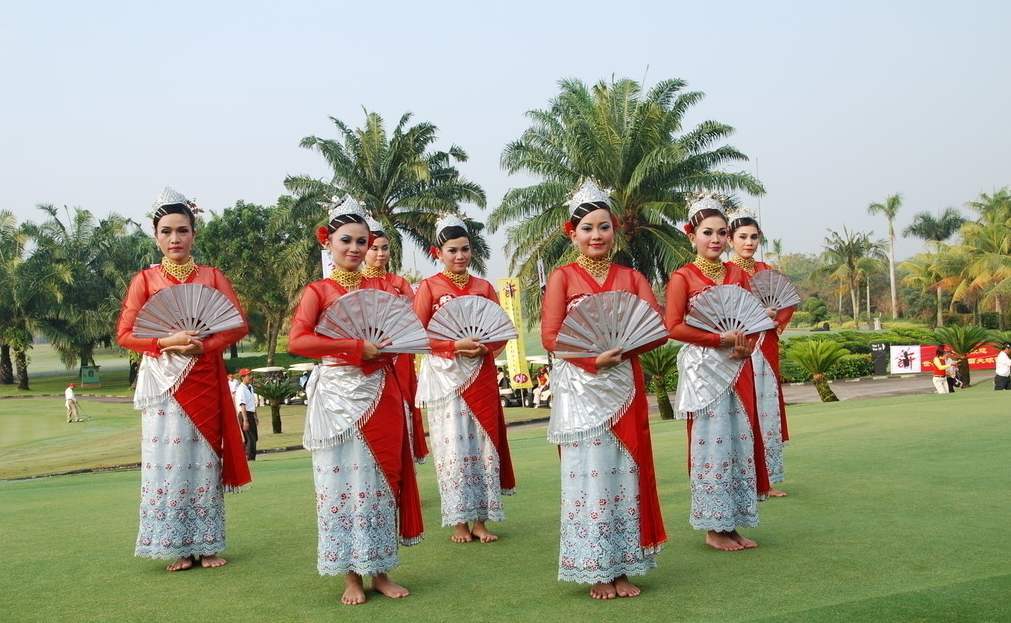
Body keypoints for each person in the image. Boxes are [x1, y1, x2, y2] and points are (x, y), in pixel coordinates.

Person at [287, 194, 422, 605]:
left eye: (362, 242)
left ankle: (380, 570)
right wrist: (353, 347)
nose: (354, 249)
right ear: (328, 241)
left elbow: (404, 334)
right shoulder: (318, 291)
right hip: (336, 397)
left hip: (380, 391)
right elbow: (298, 340)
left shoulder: (383, 288)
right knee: (339, 484)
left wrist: (384, 348)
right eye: (346, 240)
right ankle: (349, 576)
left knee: (381, 482)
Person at [541, 179, 668, 600]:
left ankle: (624, 564)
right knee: (590, 476)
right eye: (586, 229)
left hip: (623, 386)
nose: (596, 236)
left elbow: (655, 329)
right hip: (581, 389)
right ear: (572, 234)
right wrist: (590, 360)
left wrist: (627, 346)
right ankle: (597, 566)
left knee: (625, 472)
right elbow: (551, 335)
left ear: (615, 230)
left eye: (603, 227)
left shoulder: (631, 278)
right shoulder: (562, 277)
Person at [116, 187, 251, 572]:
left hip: (204, 378)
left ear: (194, 233)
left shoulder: (211, 276)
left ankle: (206, 544)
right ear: (155, 236)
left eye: (182, 230)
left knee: (203, 460)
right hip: (164, 385)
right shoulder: (145, 280)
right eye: (166, 231)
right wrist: (166, 341)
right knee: (169, 461)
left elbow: (237, 324)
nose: (175, 239)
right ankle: (177, 546)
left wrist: (205, 347)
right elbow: (126, 334)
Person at [664, 192, 767, 552]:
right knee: (711, 444)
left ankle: (733, 522)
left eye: (722, 233)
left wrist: (744, 345)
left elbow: (751, 320)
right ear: (690, 234)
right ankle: (712, 527)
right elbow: (673, 326)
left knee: (739, 441)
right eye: (708, 232)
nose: (716, 240)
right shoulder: (683, 277)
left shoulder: (737, 273)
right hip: (703, 370)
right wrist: (715, 338)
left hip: (737, 366)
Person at [414, 215, 516, 544]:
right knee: (453, 448)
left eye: (465, 249)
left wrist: (485, 347)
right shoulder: (429, 288)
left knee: (484, 446)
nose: (460, 256)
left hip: (480, 374)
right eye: (452, 250)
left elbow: (500, 331)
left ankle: (481, 521)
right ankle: (459, 521)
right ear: (438, 252)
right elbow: (415, 335)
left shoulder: (484, 288)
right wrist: (452, 345)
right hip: (447, 380)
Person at [728, 207, 794, 497]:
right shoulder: (726, 274)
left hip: (765, 348)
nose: (749, 242)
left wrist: (773, 318)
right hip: (738, 347)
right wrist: (755, 314)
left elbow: (786, 302)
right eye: (742, 236)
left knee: (766, 412)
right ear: (730, 239)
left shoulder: (767, 273)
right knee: (742, 412)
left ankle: (767, 479)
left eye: (754, 237)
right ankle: (743, 478)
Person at [363, 217, 429, 464]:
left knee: (402, 407)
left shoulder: (399, 283)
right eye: (374, 248)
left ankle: (405, 472)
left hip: (400, 356)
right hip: (369, 357)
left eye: (385, 248)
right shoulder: (359, 284)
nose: (380, 254)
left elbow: (414, 320)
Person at [235, 368, 258, 460]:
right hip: (244, 414)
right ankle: (249, 457)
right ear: (243, 377)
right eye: (248, 375)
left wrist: (255, 416)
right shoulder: (241, 389)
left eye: (250, 375)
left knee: (254, 437)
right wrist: (245, 420)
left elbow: (252, 402)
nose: (250, 377)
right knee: (250, 438)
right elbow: (242, 405)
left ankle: (251, 456)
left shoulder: (250, 388)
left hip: (250, 413)